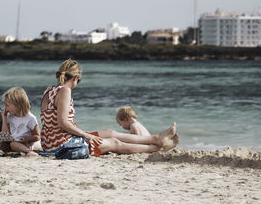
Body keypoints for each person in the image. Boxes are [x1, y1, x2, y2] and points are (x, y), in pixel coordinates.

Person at [40, 59, 179, 158]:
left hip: (50, 142)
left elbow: (53, 123)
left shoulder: (49, 90)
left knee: (109, 132)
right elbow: (63, 123)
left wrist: (84, 134)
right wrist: (86, 135)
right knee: (114, 143)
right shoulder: (65, 90)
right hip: (62, 146)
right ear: (76, 77)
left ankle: (156, 138)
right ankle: (156, 148)